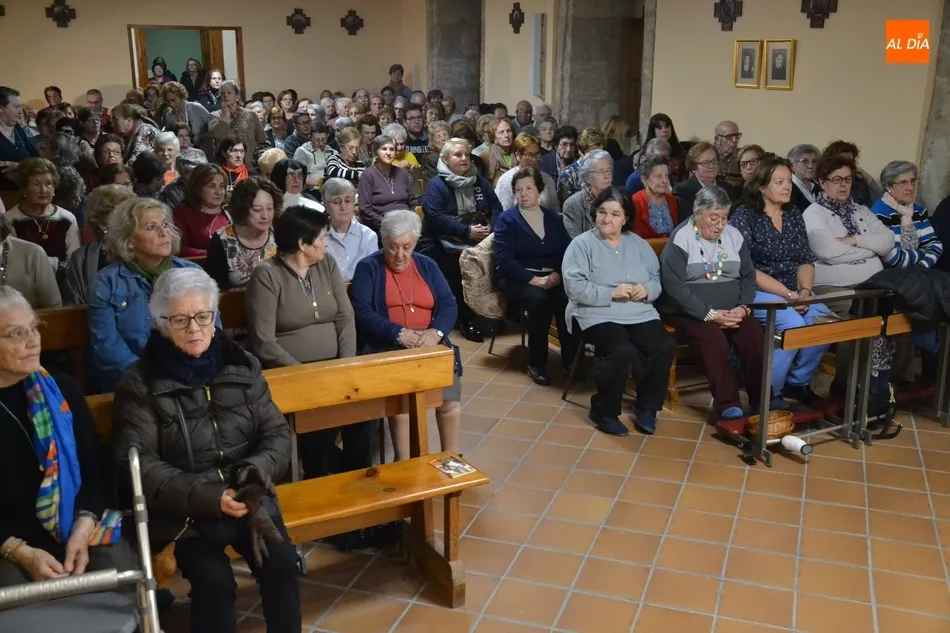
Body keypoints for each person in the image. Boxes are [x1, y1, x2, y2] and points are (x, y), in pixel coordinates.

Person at [111, 268, 299, 633]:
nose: (194, 328)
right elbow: (137, 463)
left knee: (282, 563)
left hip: (250, 499)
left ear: (215, 318)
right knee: (214, 584)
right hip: (184, 515)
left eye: (203, 316)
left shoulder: (242, 365)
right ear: (161, 324)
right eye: (180, 319)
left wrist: (253, 473)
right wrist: (212, 497)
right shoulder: (141, 382)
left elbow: (276, 433)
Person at [0, 286, 132, 588]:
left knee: (117, 575)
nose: (34, 341)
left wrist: (84, 527)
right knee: (21, 601)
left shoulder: (61, 389)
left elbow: (95, 468)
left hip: (75, 523)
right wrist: (20, 552)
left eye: (34, 328)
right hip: (8, 542)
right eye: (15, 334)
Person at [246, 206, 367, 478]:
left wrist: (345, 364)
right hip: (293, 373)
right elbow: (264, 341)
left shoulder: (327, 264)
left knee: (365, 413)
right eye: (322, 237)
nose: (326, 242)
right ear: (302, 244)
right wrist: (306, 373)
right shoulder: (267, 274)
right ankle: (322, 486)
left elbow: (345, 317)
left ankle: (360, 486)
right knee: (320, 420)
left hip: (335, 366)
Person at [563, 188, 676, 436]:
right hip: (594, 312)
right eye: (602, 212)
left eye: (615, 214)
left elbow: (656, 279)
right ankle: (604, 411)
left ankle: (647, 407)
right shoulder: (581, 245)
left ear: (625, 218)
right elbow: (575, 288)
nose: (607, 219)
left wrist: (645, 290)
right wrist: (611, 293)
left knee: (662, 345)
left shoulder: (638, 244)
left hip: (637, 312)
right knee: (619, 347)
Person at [351, 210, 462, 460]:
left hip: (430, 344)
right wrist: (398, 333)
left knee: (450, 400)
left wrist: (436, 332)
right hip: (390, 346)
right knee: (403, 406)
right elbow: (363, 312)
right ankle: (405, 462)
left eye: (407, 247)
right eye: (393, 247)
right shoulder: (368, 268)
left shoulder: (427, 265)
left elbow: (448, 303)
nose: (400, 255)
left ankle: (451, 459)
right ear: (383, 242)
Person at [659, 186, 767, 419]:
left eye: (724, 218)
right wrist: (709, 314)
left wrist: (743, 307)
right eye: (713, 218)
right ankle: (728, 402)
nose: (720, 225)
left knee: (754, 335)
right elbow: (675, 288)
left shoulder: (734, 236)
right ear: (698, 213)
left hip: (732, 310)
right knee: (713, 337)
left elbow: (748, 276)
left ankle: (762, 399)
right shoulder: (681, 239)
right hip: (687, 311)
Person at [730, 157, 832, 403]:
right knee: (792, 325)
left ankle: (797, 382)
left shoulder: (794, 213)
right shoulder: (745, 215)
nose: (787, 186)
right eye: (780, 182)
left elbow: (805, 259)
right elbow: (747, 269)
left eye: (788, 181)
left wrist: (805, 291)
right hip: (756, 288)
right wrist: (788, 296)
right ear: (762, 187)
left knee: (825, 321)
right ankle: (768, 393)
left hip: (794, 289)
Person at [89, 198, 203, 392]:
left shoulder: (193, 274)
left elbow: (211, 329)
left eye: (165, 225)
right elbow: (107, 347)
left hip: (188, 376)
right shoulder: (107, 282)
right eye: (151, 227)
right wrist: (150, 376)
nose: (163, 232)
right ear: (129, 240)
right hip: (132, 382)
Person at [494, 167, 576, 385]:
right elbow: (504, 260)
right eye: (518, 190)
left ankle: (570, 360)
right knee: (538, 301)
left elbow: (566, 251)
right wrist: (534, 280)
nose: (523, 194)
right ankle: (536, 363)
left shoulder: (553, 219)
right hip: (517, 277)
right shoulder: (507, 219)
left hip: (552, 276)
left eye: (528, 188)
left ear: (539, 190)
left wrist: (557, 275)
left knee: (566, 299)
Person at [419, 138, 503, 342]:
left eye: (466, 154)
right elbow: (436, 216)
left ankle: (488, 312)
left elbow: (497, 207)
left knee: (498, 259)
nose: (464, 158)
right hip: (440, 240)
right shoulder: (438, 185)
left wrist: (491, 226)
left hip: (478, 239)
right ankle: (464, 319)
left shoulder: (479, 182)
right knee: (456, 266)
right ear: (446, 159)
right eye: (458, 155)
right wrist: (466, 232)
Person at [6, 157, 80, 274]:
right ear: (24, 189)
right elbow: (10, 262)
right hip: (23, 282)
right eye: (36, 184)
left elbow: (75, 261)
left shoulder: (67, 219)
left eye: (48, 183)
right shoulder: (9, 220)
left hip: (62, 281)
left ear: (54, 188)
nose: (43, 190)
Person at [64, 184, 135, 305]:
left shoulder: (145, 249)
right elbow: (73, 306)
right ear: (102, 224)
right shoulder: (81, 259)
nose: (131, 221)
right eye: (122, 217)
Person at [207, 177, 281, 290]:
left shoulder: (280, 233)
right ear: (243, 210)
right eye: (257, 209)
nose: (265, 216)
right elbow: (217, 291)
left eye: (270, 208)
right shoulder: (221, 241)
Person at [870, 160, 943, 269]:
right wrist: (922, 253)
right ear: (889, 187)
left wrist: (920, 267)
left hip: (920, 272)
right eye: (903, 183)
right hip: (890, 277)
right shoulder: (878, 214)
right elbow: (892, 258)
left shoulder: (919, 211)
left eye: (913, 181)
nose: (910, 187)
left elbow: (935, 246)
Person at [358, 134, 420, 233]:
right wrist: (386, 223)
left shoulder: (403, 174)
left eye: (391, 149)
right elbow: (365, 209)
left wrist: (410, 220)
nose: (388, 153)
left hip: (406, 223)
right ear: (376, 152)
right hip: (383, 226)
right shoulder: (368, 175)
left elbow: (413, 202)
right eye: (384, 149)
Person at [173, 163, 231, 257]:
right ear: (198, 189)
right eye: (212, 186)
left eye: (221, 186)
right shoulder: (182, 213)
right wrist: (213, 255)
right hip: (195, 267)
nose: (218, 192)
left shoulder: (231, 212)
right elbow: (179, 249)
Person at [672, 141, 738, 221]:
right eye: (705, 163)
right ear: (693, 168)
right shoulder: (683, 190)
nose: (711, 166)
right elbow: (688, 220)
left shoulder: (728, 188)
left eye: (714, 161)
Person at [210, 80, 267, 171]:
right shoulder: (215, 115)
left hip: (249, 167)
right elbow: (216, 135)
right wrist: (226, 116)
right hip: (224, 168)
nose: (225, 95)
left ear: (237, 95)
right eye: (223, 93)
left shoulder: (251, 115)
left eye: (229, 93)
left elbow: (263, 141)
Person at [494, 133, 558, 211]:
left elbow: (555, 209)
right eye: (529, 155)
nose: (534, 159)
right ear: (518, 155)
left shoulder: (547, 179)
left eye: (537, 154)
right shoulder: (506, 181)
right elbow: (503, 212)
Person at [562, 149, 614, 239]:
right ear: (587, 178)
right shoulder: (573, 204)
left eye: (608, 171)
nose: (606, 176)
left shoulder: (618, 199)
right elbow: (576, 243)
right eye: (600, 172)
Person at [0, 87, 41, 191]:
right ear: (0, 108)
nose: (20, 111)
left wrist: (20, 166)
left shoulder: (18, 129)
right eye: (16, 107)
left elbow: (36, 158)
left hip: (24, 192)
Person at [821, 140, 883, 208]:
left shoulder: (859, 181)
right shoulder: (825, 182)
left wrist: (868, 179)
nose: (848, 164)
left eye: (851, 160)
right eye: (843, 160)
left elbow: (879, 204)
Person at [631, 155, 678, 239]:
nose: (664, 181)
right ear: (644, 180)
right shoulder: (635, 201)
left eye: (666, 175)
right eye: (659, 176)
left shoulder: (671, 200)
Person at [557, 127, 606, 204]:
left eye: (600, 153)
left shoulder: (605, 171)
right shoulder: (568, 175)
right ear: (580, 151)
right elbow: (566, 206)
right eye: (593, 153)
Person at [293, 122, 330, 189]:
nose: (321, 143)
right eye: (317, 140)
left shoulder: (332, 151)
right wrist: (321, 183)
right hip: (310, 190)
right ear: (310, 138)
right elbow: (299, 175)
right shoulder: (302, 151)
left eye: (323, 139)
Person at [481, 117, 516, 186]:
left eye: (508, 131)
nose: (506, 135)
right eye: (501, 132)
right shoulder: (485, 158)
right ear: (494, 137)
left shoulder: (520, 154)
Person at [787, 144, 820, 212]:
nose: (810, 166)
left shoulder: (820, 187)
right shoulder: (788, 188)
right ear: (792, 165)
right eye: (805, 161)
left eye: (814, 162)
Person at [713, 121, 744, 189]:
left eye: (737, 136)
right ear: (717, 139)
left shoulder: (742, 157)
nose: (735, 140)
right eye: (729, 136)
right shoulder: (706, 156)